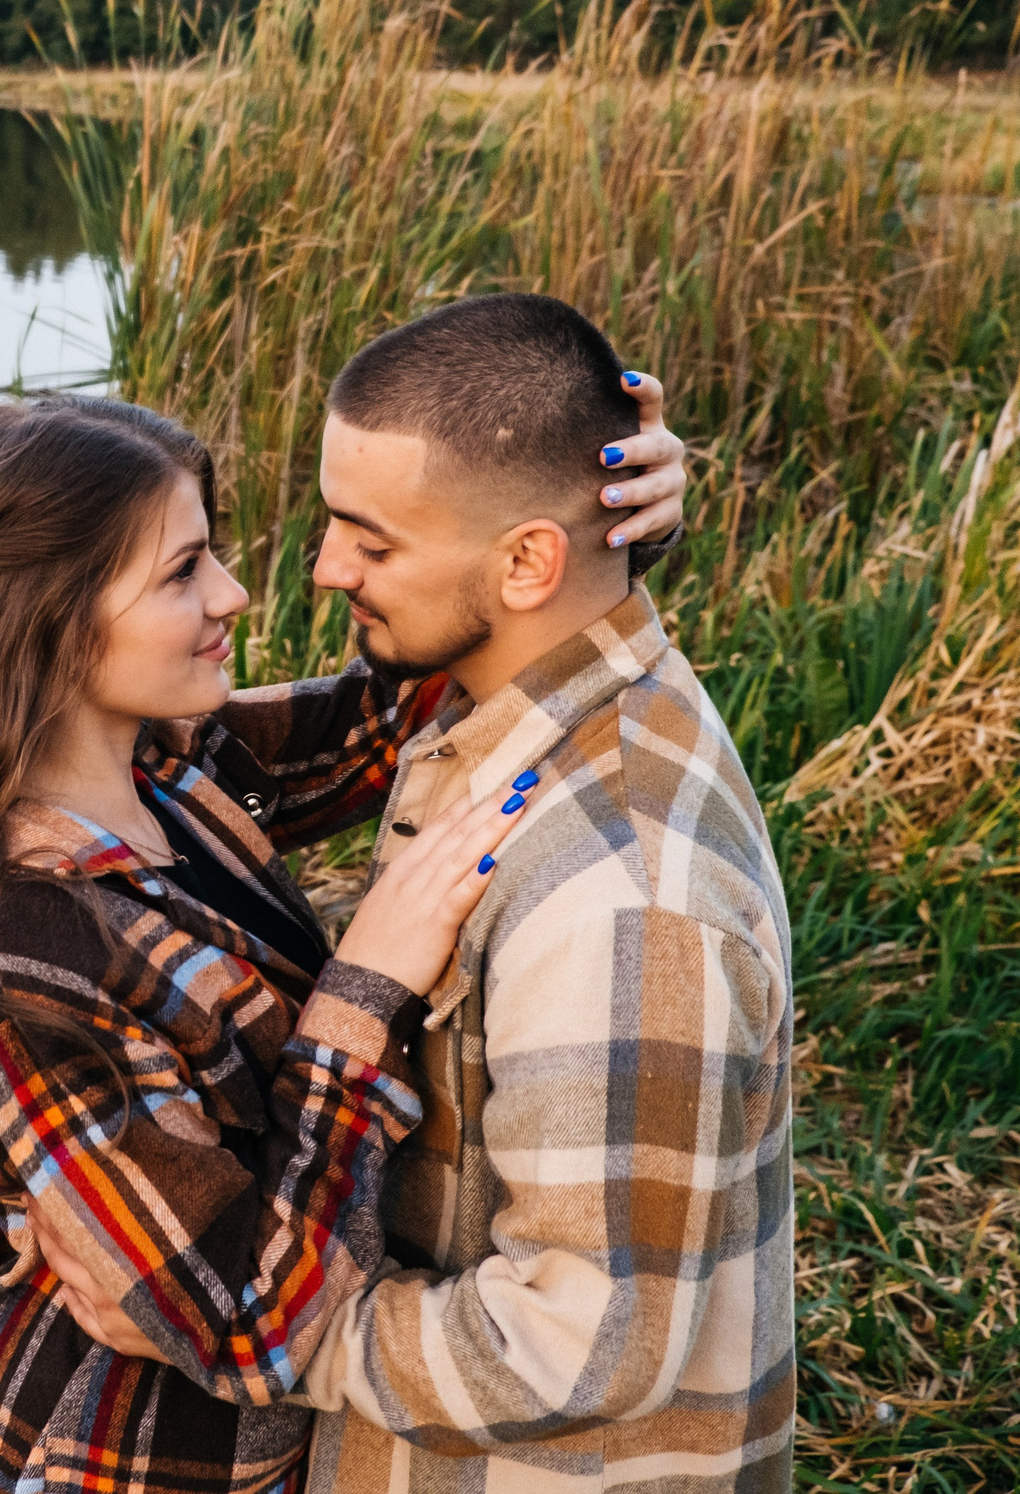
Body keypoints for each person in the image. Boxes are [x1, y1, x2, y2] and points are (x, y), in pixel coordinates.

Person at [0, 344, 690, 1494]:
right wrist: (360, 991)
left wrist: (592, 527)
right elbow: (243, 1317)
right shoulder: (25, 944)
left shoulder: (175, 765)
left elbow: (423, 684)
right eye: (183, 571)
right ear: (51, 624)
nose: (233, 593)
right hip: (117, 1449)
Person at [42, 294, 795, 1493]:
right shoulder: (487, 702)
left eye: (371, 542)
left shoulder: (623, 902)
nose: (321, 567)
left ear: (525, 561)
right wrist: (625, 536)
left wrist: (283, 1329)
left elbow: (578, 1346)